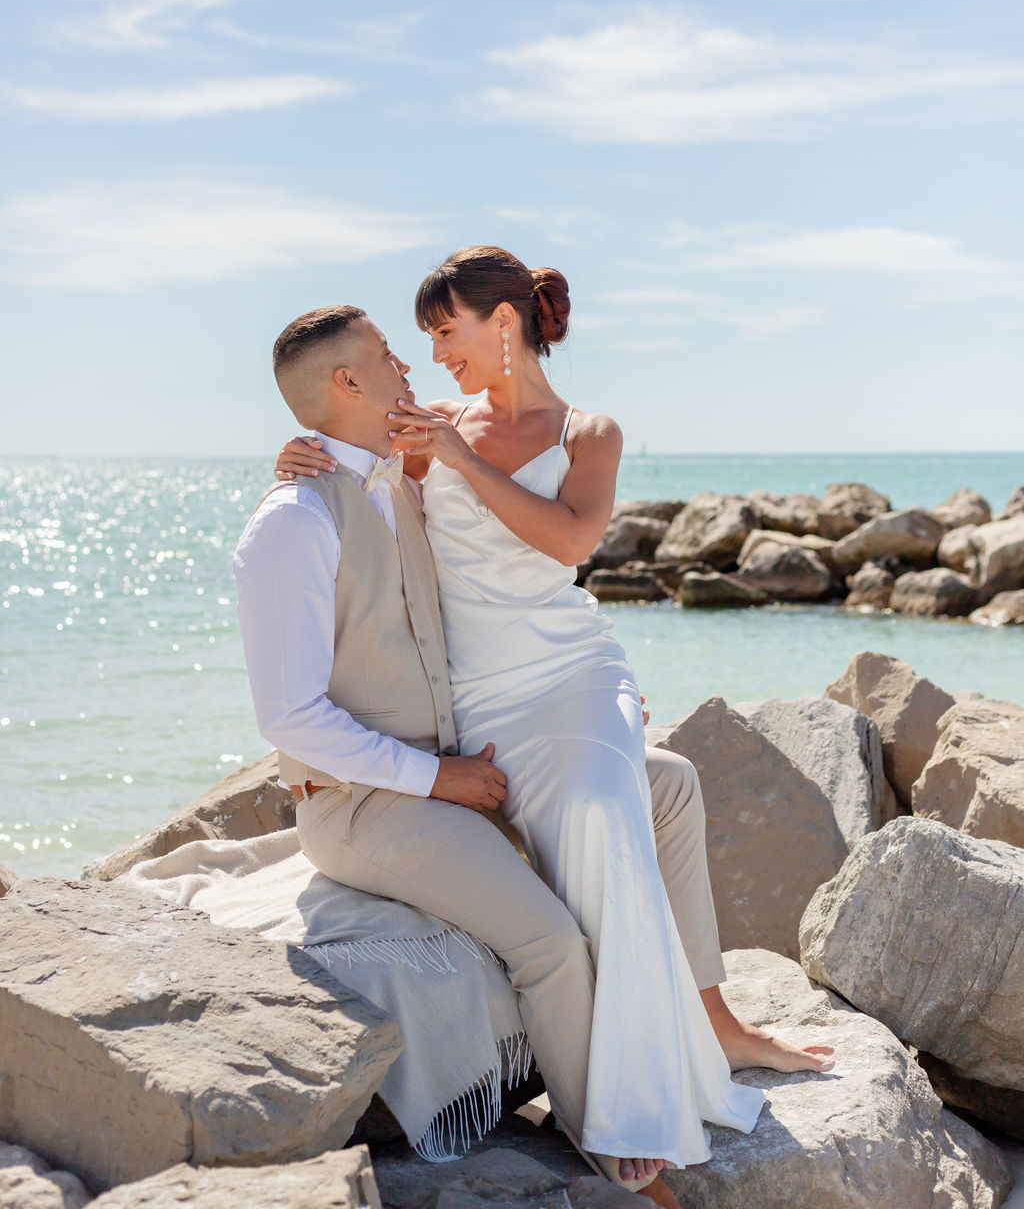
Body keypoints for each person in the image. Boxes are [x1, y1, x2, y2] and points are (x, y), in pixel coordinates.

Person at [269, 256, 832, 1184]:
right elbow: (351, 463)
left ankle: (694, 1044)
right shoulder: (429, 426)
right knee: (659, 791)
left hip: (574, 670)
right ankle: (659, 1056)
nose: (433, 353)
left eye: (443, 330)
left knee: (610, 811)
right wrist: (295, 457)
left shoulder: (588, 431)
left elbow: (572, 540)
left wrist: (456, 460)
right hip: (479, 697)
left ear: (501, 321)